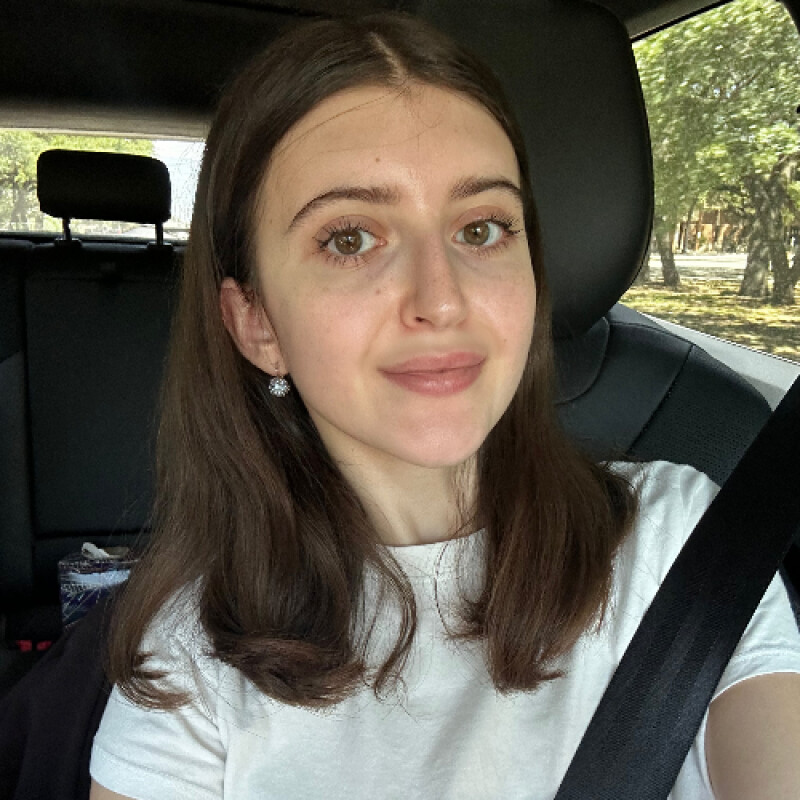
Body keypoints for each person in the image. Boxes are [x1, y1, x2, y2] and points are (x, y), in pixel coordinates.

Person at [89, 12, 800, 800]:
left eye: (482, 228)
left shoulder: (682, 546)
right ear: (257, 323)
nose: (442, 298)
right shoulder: (190, 663)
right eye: (351, 239)